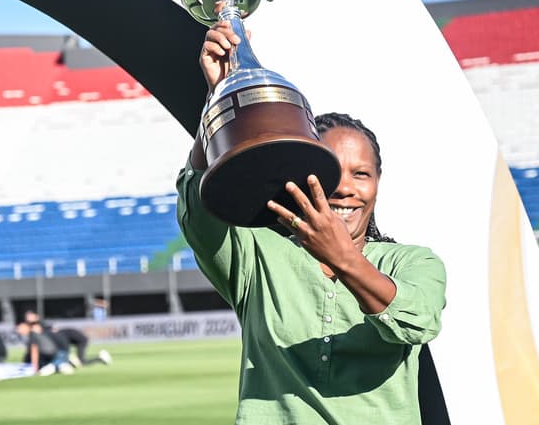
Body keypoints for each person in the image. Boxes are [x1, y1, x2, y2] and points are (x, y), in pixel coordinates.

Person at [175, 22, 447, 424]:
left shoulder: (414, 263)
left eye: (362, 174)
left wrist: (343, 258)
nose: (346, 189)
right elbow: (197, 212)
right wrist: (219, 99)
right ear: (307, 170)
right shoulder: (258, 254)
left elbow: (416, 323)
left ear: (378, 184)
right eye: (335, 171)